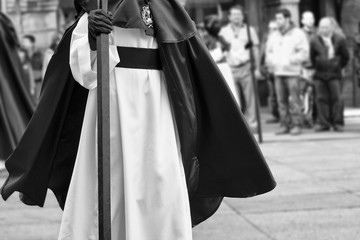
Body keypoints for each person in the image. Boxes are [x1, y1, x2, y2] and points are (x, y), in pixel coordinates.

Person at [1, 1, 276, 239]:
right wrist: (90, 33)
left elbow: (189, 69)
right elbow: (85, 73)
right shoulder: (98, 5)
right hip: (111, 101)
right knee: (109, 177)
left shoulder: (168, 11)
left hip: (158, 106)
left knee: (160, 178)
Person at [266, 8, 309, 135]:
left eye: (280, 18)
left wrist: (290, 60)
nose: (278, 21)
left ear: (288, 19)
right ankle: (284, 124)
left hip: (292, 73)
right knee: (281, 101)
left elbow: (304, 52)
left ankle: (297, 125)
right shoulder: (274, 35)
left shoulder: (298, 34)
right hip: (278, 73)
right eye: (276, 18)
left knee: (295, 100)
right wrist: (272, 62)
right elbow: (268, 52)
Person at [219, 4, 261, 132]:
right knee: (233, 98)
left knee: (250, 98)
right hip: (230, 68)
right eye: (234, 14)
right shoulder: (224, 31)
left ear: (243, 16)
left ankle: (252, 124)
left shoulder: (249, 30)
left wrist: (257, 68)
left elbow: (255, 49)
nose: (237, 17)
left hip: (246, 67)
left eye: (239, 14)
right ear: (229, 17)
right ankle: (236, 125)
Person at [310, 17, 349, 132]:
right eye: (322, 27)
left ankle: (337, 122)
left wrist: (338, 66)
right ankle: (324, 123)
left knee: (337, 99)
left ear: (331, 27)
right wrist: (316, 66)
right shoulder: (314, 40)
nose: (324, 29)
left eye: (326, 27)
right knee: (321, 99)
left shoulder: (340, 39)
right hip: (320, 74)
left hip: (335, 74)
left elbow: (345, 56)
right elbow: (311, 57)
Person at [202, 14, 240, 105]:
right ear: (208, 26)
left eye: (219, 24)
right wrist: (221, 50)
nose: (218, 27)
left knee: (231, 96)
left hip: (225, 69)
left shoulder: (221, 38)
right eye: (215, 24)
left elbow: (230, 52)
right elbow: (206, 57)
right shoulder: (204, 39)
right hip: (214, 70)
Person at [300, 11, 317, 128]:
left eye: (312, 18)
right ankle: (303, 117)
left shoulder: (317, 33)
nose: (310, 21)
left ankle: (311, 116)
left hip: (315, 67)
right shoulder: (299, 33)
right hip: (303, 67)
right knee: (302, 94)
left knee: (312, 94)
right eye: (307, 18)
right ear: (302, 20)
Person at [261, 20, 279, 124]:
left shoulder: (279, 39)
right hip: (269, 70)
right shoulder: (266, 39)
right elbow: (263, 54)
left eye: (274, 28)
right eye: (270, 29)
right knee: (272, 95)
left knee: (281, 96)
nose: (272, 31)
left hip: (279, 70)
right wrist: (262, 67)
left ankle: (284, 117)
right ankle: (275, 114)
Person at [22, 34, 43, 102]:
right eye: (23, 42)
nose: (23, 44)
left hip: (38, 83)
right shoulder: (22, 55)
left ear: (32, 43)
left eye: (25, 41)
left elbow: (44, 68)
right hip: (26, 83)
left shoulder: (39, 54)